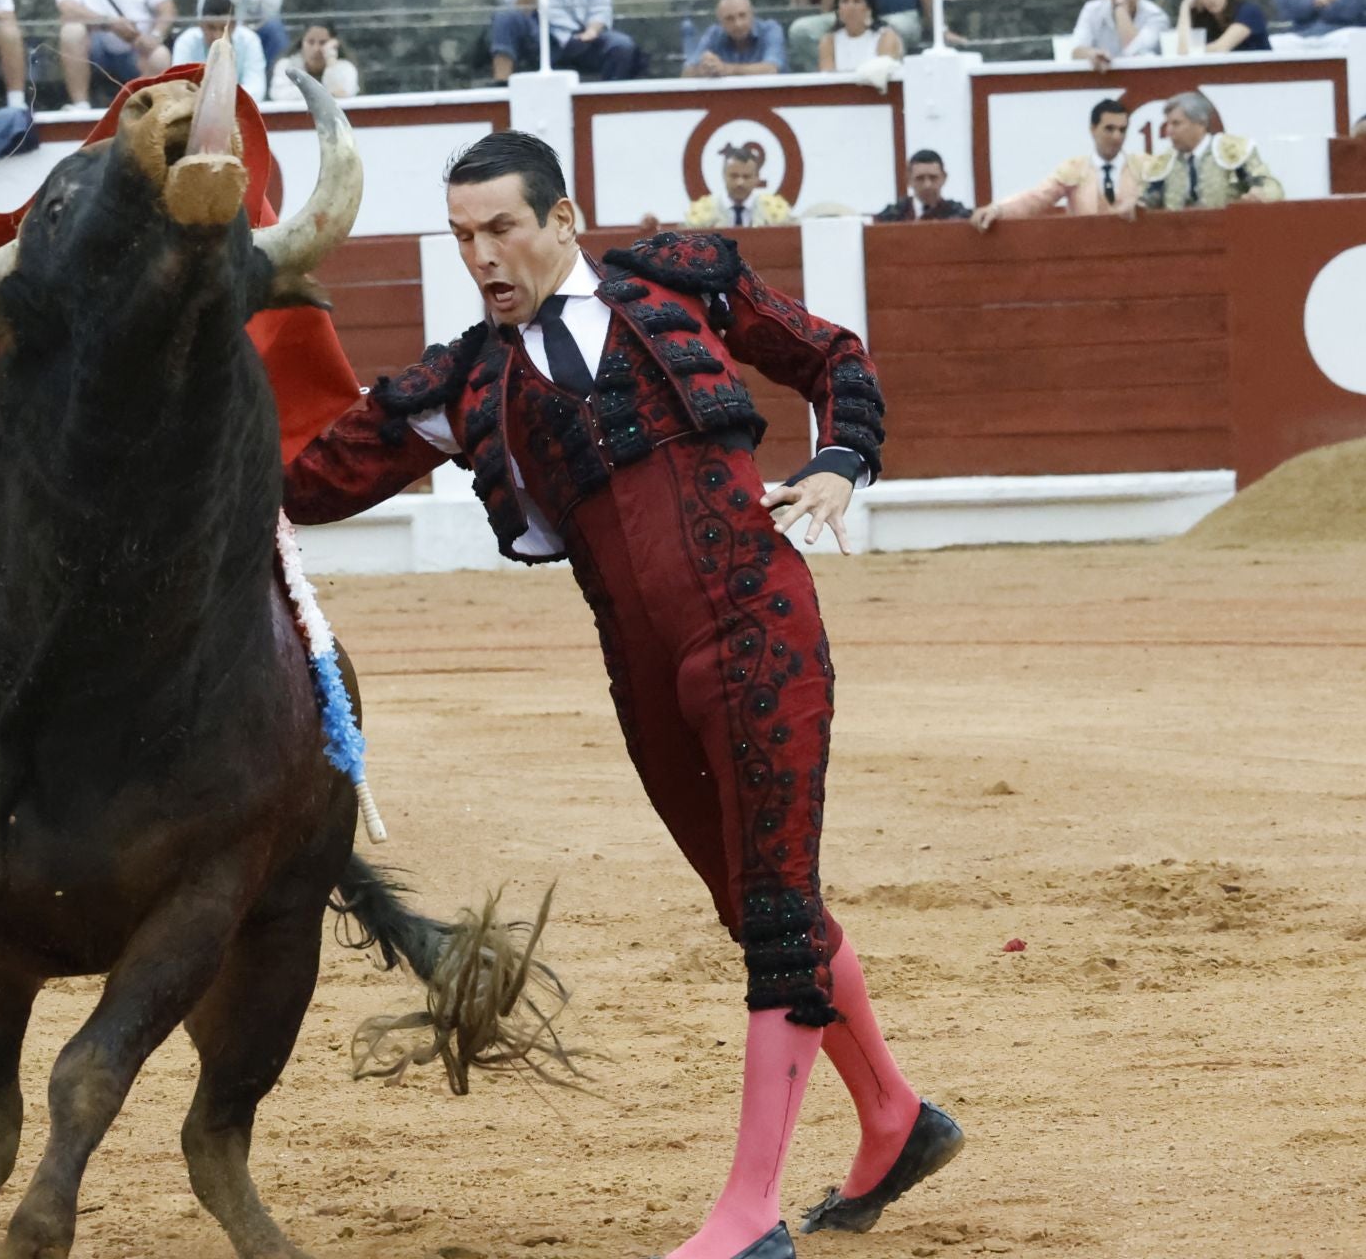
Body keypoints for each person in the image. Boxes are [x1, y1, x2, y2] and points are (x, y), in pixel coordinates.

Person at [281, 129, 958, 1259]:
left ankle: (748, 1217)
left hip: (761, 629)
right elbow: (308, 480)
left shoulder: (681, 283)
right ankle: (892, 1116)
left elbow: (833, 354)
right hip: (643, 681)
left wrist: (844, 459)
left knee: (779, 911)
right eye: (462, 238)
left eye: (501, 228)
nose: (483, 256)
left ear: (561, 219)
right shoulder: (466, 382)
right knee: (756, 903)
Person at [973, 98, 1145, 228]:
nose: (1117, 137)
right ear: (1092, 129)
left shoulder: (1142, 168)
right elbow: (1037, 198)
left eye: (1122, 130)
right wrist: (998, 210)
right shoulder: (1074, 169)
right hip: (1087, 258)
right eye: (1109, 129)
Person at [1139, 90, 1283, 209]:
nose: (1169, 131)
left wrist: (1259, 194)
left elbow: (1270, 186)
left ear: (1200, 123)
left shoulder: (1231, 151)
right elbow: (1147, 200)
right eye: (1168, 124)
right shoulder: (1165, 162)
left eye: (1176, 124)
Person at [490, 0, 641, 83]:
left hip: (579, 35)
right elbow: (519, 8)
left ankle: (610, 103)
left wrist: (592, 31)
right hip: (538, 34)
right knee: (504, 18)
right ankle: (501, 87)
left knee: (621, 45)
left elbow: (601, 9)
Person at [58, 0, 176, 108]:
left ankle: (146, 108)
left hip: (138, 48)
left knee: (160, 55)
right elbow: (67, 7)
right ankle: (81, 105)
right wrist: (109, 23)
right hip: (93, 48)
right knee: (72, 31)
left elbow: (167, 9)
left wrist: (154, 36)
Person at [788, 0, 927, 74]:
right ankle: (827, 81)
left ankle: (883, 79)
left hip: (900, 14)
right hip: (851, 8)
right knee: (801, 30)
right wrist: (828, 17)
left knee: (894, 29)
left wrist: (940, 27)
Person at [173, 0, 269, 99]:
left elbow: (256, 89)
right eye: (211, 28)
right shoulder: (186, 42)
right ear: (201, 25)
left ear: (234, 26)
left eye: (224, 28)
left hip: (237, 110)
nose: (217, 36)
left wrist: (221, 103)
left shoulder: (249, 41)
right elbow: (178, 87)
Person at [683, 142, 792, 227]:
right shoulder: (701, 214)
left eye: (746, 176)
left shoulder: (775, 213)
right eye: (734, 176)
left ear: (757, 178)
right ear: (724, 175)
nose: (740, 182)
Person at [1070, 0, 1170, 70]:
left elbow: (1133, 50)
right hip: (1104, 79)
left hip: (1144, 80)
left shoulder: (1156, 16)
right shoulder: (1091, 10)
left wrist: (1120, 7)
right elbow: (1076, 51)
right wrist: (1093, 55)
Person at [683, 0, 788, 77]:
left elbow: (770, 69)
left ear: (752, 14)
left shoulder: (770, 29)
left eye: (742, 15)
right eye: (729, 19)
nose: (738, 24)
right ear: (720, 22)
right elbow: (686, 74)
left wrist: (727, 69)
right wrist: (704, 69)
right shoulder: (714, 33)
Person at [196, 0, 289, 70]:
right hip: (224, 28)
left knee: (275, 29)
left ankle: (276, 79)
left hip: (260, 26)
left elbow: (272, 11)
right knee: (199, 33)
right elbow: (204, 11)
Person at [817, 0, 904, 73]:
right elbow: (828, 79)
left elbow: (885, 72)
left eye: (857, 1)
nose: (850, 7)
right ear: (838, 10)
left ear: (869, 9)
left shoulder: (886, 36)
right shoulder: (829, 41)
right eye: (845, 1)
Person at [269, 25, 360, 102]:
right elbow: (278, 95)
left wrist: (331, 61)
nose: (316, 49)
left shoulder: (346, 68)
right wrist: (324, 92)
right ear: (302, 44)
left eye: (323, 43)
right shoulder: (287, 66)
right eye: (310, 42)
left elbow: (342, 95)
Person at [1176, 0, 1271, 52]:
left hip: (1261, 75)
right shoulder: (1205, 18)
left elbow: (1220, 48)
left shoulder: (1249, 12)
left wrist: (1189, 51)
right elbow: (1181, 49)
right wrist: (1185, 8)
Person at [875, 150, 970, 221]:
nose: (927, 185)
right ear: (909, 180)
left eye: (933, 178)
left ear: (944, 178)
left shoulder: (958, 213)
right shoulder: (893, 215)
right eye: (920, 178)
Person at [1272, 0, 1366, 40]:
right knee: (1273, 44)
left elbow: (1348, 7)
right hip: (1300, 35)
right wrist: (1316, 2)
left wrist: (1305, 7)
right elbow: (1284, 5)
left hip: (1345, 34)